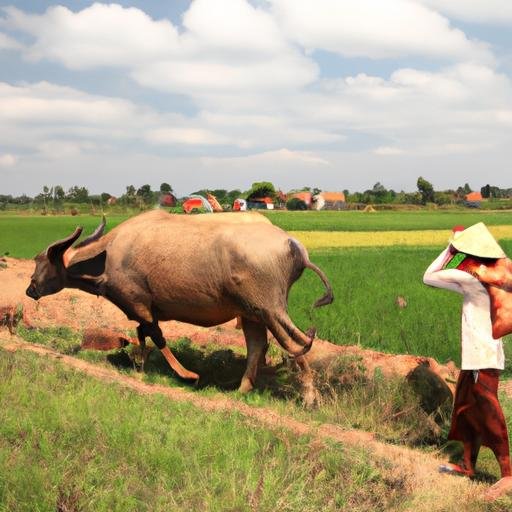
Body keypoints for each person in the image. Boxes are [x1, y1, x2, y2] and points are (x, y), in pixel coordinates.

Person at [423, 222, 512, 501]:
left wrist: (451, 249)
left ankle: (508, 472)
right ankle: (468, 466)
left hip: (480, 356)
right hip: (483, 354)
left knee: (487, 408)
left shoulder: (470, 278)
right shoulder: (490, 275)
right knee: (467, 408)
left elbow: (429, 276)